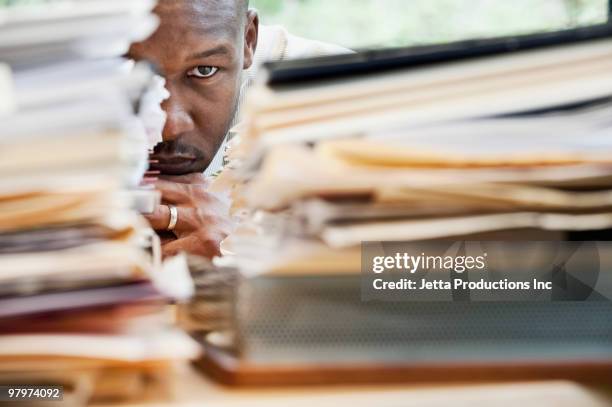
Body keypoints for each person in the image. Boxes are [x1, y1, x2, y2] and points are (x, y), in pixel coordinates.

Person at [129, 0, 348, 259]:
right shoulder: (75, 81)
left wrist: (250, 249)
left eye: (204, 70)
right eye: (134, 76)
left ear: (248, 39)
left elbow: (397, 280)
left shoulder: (345, 101)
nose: (170, 127)